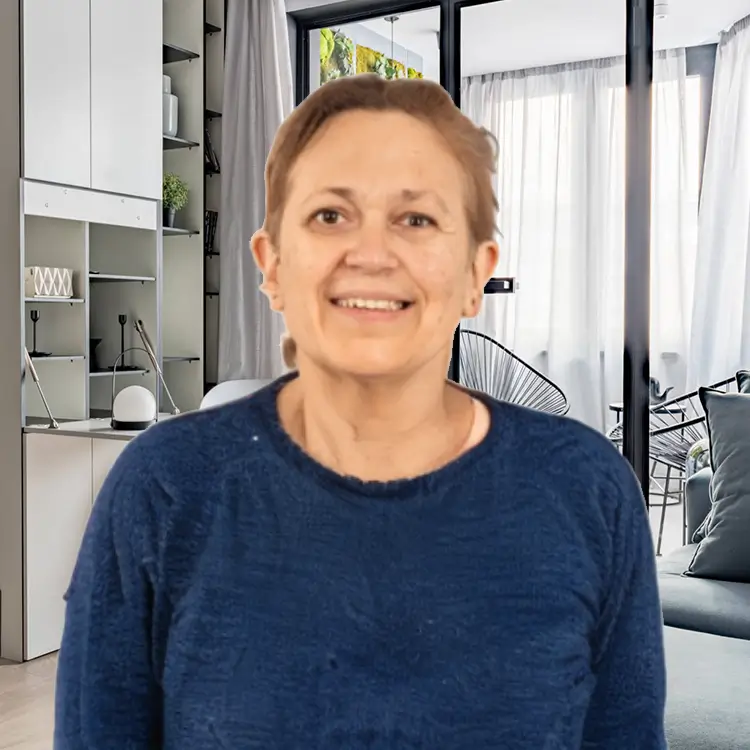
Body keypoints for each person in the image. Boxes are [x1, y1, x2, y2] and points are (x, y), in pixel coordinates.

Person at [55, 74, 666, 749]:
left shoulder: (588, 492)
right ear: (272, 265)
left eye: (416, 219)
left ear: (476, 272)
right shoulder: (164, 488)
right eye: (330, 215)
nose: (372, 254)